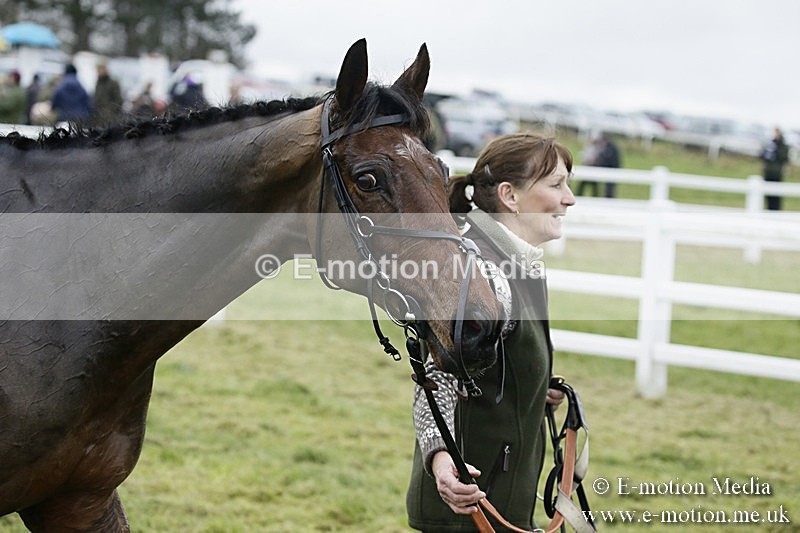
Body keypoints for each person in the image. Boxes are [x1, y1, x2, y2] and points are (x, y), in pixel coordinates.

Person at [407, 132, 576, 532]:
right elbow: (435, 377)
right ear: (510, 196)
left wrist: (533, 388)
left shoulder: (518, 262)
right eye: (556, 185)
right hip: (467, 509)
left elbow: (493, 363)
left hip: (499, 504)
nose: (569, 198)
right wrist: (441, 459)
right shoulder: (478, 270)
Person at [576, 132, 621, 198]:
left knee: (601, 187)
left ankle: (605, 198)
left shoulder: (608, 147)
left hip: (601, 168)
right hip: (591, 168)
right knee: (588, 185)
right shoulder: (601, 146)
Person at [761, 128, 790, 211]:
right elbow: (763, 156)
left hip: (777, 173)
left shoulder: (783, 145)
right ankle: (768, 209)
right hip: (768, 172)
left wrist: (776, 147)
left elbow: (784, 157)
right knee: (767, 193)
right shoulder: (770, 144)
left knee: (776, 194)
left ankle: (776, 211)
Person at [92, 59, 123, 125]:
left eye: (101, 68)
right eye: (98, 69)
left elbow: (119, 100)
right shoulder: (98, 83)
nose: (100, 71)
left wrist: (109, 111)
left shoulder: (113, 83)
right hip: (98, 118)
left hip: (110, 119)